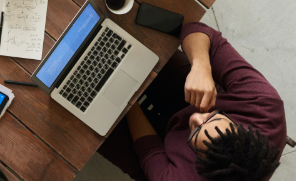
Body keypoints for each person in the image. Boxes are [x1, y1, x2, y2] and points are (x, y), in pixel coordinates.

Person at [97, 22, 286, 181]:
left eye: (195, 132)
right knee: (148, 47)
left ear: (200, 164)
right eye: (213, 117)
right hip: (197, 97)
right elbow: (197, 29)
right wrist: (201, 67)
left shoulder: (182, 177)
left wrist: (127, 97)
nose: (196, 116)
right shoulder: (263, 105)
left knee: (96, 123)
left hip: (162, 156)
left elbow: (149, 149)